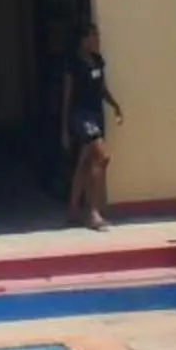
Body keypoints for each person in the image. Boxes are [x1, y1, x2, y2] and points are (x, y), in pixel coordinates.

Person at [58, 24, 125, 231]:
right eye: (94, 35)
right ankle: (93, 213)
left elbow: (102, 89)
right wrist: (64, 129)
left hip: (96, 115)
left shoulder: (98, 60)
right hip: (81, 116)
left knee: (85, 162)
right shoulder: (73, 64)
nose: (97, 39)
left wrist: (115, 106)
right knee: (103, 156)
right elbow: (67, 96)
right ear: (83, 39)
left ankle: (72, 210)